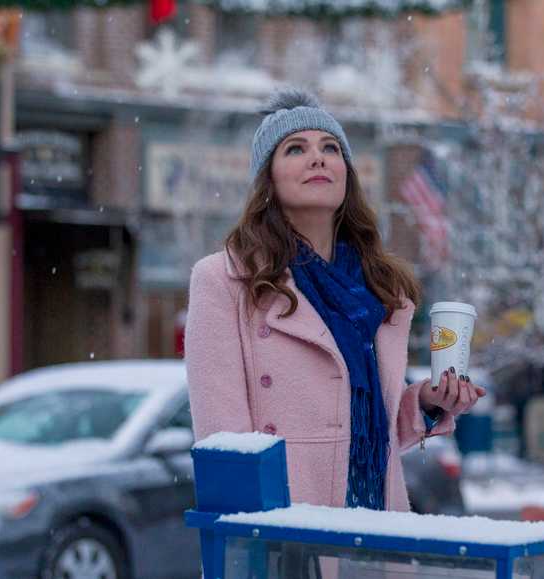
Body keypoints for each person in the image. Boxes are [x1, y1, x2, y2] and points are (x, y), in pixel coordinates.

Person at [186, 88, 484, 513]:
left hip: (376, 521)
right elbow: (223, 444)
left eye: (331, 148)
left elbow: (365, 429)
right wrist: (256, 541)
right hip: (285, 523)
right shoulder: (226, 280)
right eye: (295, 149)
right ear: (267, 179)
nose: (318, 158)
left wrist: (427, 403)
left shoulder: (379, 288)